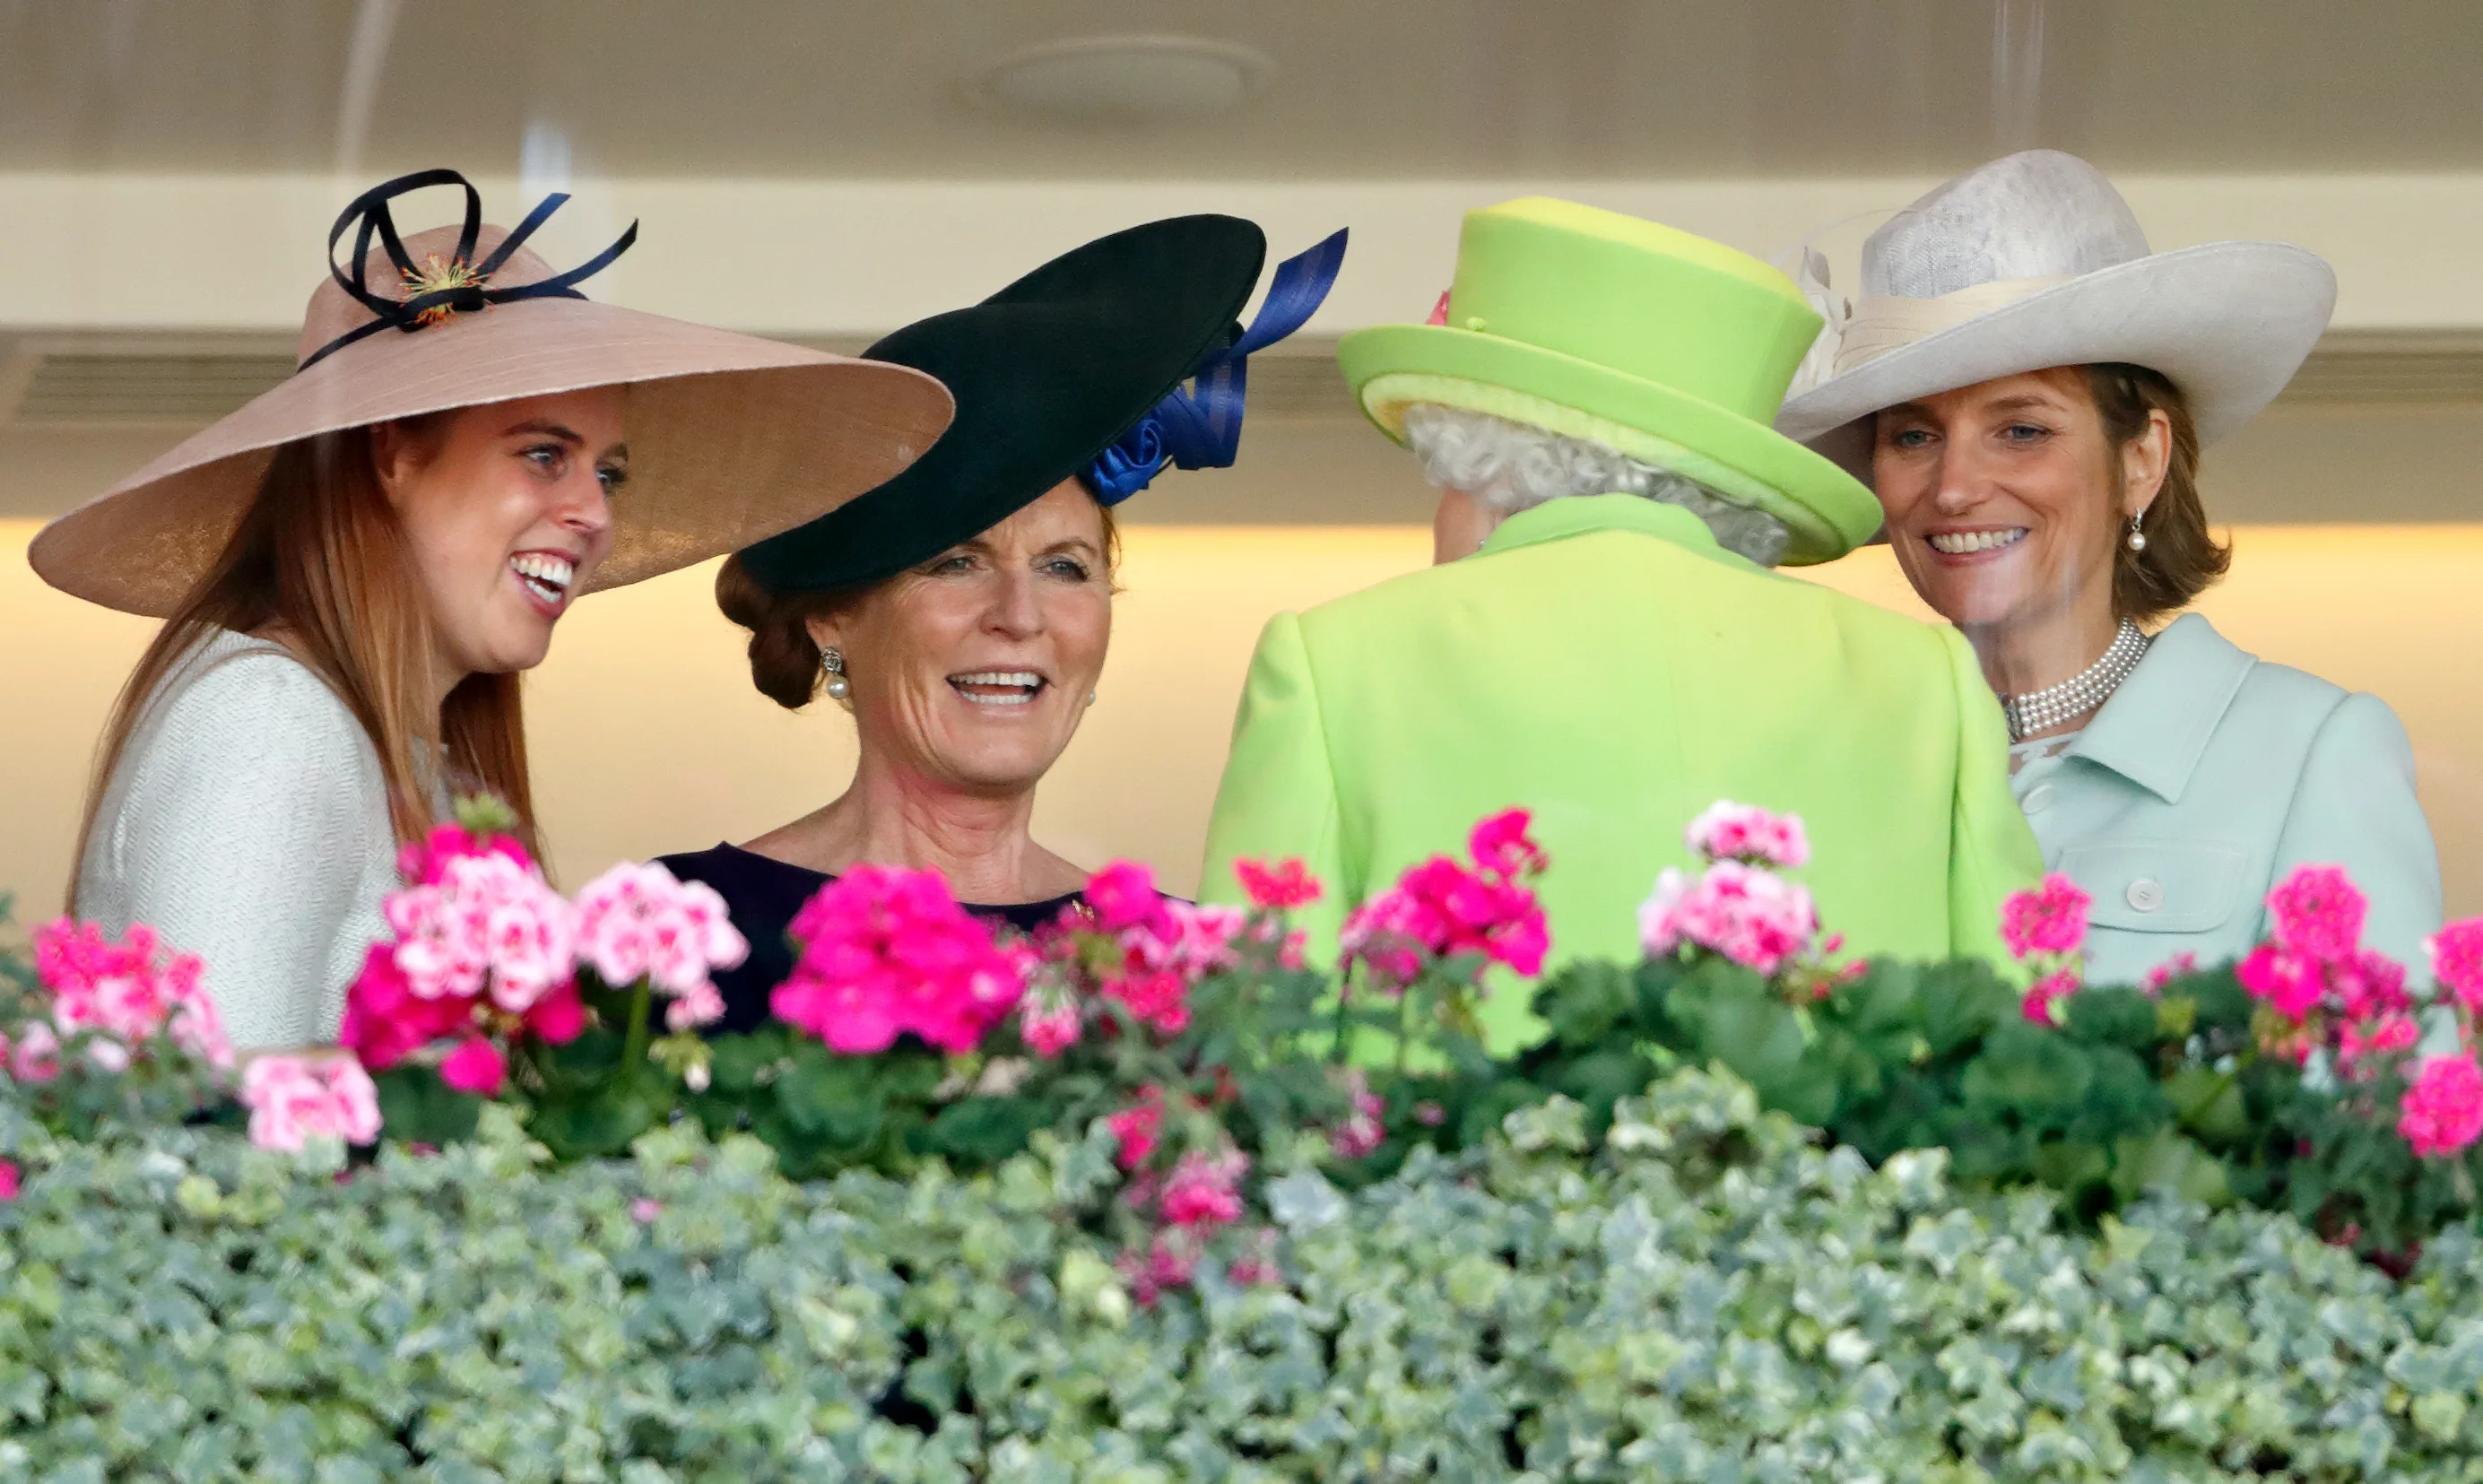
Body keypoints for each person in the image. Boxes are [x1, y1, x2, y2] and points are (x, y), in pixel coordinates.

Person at [35, 169, 953, 1050]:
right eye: (544, 455)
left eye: (609, 472)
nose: (596, 511)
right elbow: (216, 1153)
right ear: (391, 452)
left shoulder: (416, 761)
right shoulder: (271, 724)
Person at [1198, 196, 2044, 1053]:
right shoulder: (1923, 678)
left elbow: (1256, 1052)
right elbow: (2019, 1051)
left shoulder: (1329, 661)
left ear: (1475, 460)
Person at [661, 217, 1343, 1032]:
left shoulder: (1177, 965)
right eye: (956, 562)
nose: (1020, 616)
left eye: (1065, 567)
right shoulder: (686, 933)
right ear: (834, 616)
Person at [1775, 150, 2441, 985]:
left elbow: (2382, 1097)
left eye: (2020, 429)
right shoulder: (1830, 760)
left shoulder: (2307, 749)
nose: (1952, 488)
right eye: (1913, 435)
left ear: (2140, 459)